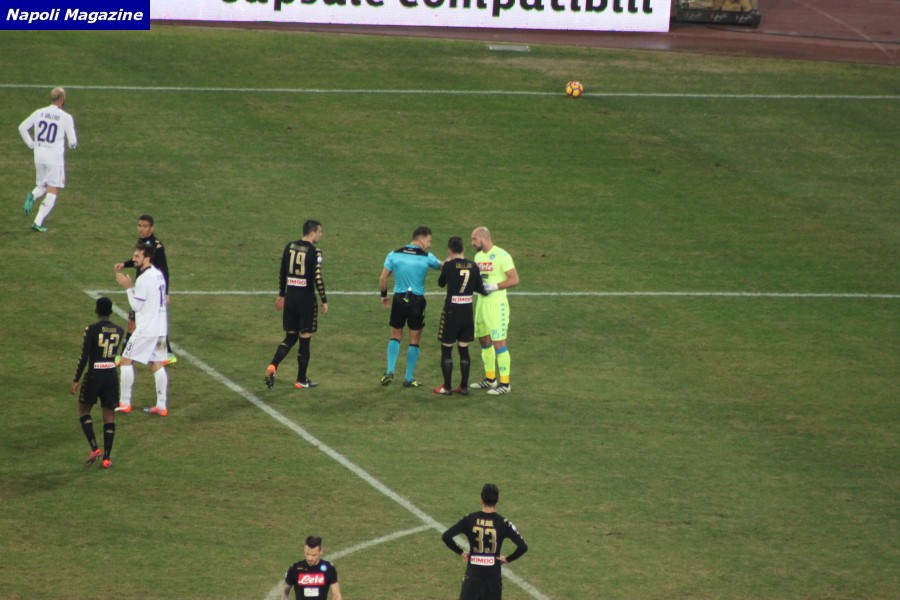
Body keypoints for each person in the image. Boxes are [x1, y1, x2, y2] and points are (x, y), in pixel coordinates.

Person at [265, 220, 328, 390]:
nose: (321, 235)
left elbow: (282, 272)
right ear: (312, 233)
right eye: (319, 232)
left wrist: (281, 295)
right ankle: (301, 379)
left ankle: (273, 365)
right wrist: (324, 299)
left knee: (290, 337)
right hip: (306, 301)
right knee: (304, 340)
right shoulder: (315, 252)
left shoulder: (289, 247)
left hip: (291, 298)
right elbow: (317, 278)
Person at [378, 226, 442, 387]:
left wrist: (384, 295)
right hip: (416, 301)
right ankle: (408, 378)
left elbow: (383, 278)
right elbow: (443, 266)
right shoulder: (427, 257)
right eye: (428, 241)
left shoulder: (394, 254)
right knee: (414, 340)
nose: (429, 245)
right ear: (421, 239)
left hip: (399, 299)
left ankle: (390, 371)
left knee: (395, 335)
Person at [442, 483, 529, 600]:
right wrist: (508, 559)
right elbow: (523, 547)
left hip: (473, 576)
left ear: (481, 499)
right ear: (498, 499)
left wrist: (461, 552)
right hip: (493, 578)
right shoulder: (503, 523)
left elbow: (446, 536)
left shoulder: (470, 519)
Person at [114, 243, 169, 416]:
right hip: (160, 328)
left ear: (147, 258)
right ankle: (161, 405)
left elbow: (136, 306)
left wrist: (128, 288)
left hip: (146, 329)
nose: (134, 259)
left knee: (125, 360)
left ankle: (124, 402)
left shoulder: (144, 279)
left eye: (137, 256)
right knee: (156, 364)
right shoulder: (158, 275)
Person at [114, 214, 176, 365]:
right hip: (142, 288)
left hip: (149, 290)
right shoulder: (142, 242)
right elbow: (136, 260)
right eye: (139, 226)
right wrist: (124, 264)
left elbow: (164, 270)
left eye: (145, 226)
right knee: (136, 321)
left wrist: (166, 293)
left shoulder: (157, 246)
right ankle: (165, 353)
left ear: (151, 228)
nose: (141, 229)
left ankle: (126, 354)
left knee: (139, 321)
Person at [71, 297, 124, 469]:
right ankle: (107, 458)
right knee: (109, 416)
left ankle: (95, 448)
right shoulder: (119, 330)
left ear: (96, 310)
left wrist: (76, 379)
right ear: (111, 311)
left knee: (84, 410)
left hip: (95, 374)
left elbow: (84, 356)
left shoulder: (92, 329)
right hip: (111, 375)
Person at [434, 236, 489, 396]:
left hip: (451, 312)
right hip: (467, 312)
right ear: (463, 249)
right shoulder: (473, 265)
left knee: (447, 349)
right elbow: (481, 288)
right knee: (464, 349)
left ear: (450, 250)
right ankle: (463, 387)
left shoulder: (449, 265)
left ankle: (447, 387)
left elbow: (441, 283)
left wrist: (445, 265)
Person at [18, 86, 78, 233]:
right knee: (52, 190)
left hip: (39, 155)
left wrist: (31, 144)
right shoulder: (65, 117)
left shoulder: (39, 112)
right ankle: (37, 222)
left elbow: (22, 127)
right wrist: (72, 145)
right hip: (54, 158)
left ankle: (32, 195)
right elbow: (72, 142)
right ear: (62, 99)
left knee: (42, 185)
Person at [470, 227, 519, 395]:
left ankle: (505, 384)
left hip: (497, 305)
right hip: (482, 303)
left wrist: (495, 286)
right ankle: (490, 379)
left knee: (499, 342)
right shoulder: (478, 257)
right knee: (484, 340)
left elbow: (515, 279)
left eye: (474, 239)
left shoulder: (502, 255)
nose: (472, 243)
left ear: (483, 238)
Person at [281, 536, 342, 600]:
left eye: (313, 555)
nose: (309, 558)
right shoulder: (295, 569)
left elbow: (336, 595)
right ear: (304, 549)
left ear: (321, 551)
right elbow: (285, 592)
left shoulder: (329, 569)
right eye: (307, 554)